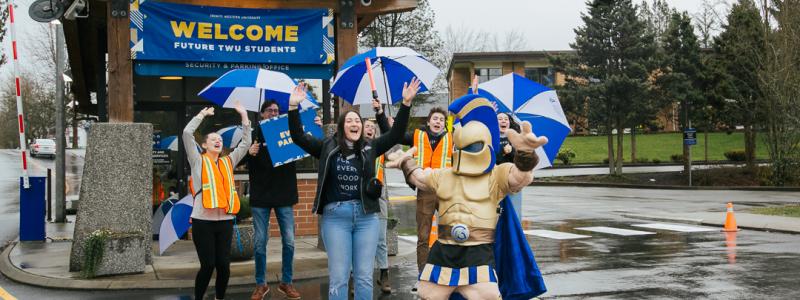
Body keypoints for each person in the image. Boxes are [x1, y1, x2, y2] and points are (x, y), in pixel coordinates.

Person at [387, 94, 548, 299]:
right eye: (465, 147)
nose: (470, 151)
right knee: (427, 294)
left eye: (473, 146)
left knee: (488, 295)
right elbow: (419, 178)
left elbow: (521, 177)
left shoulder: (496, 176)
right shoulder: (444, 175)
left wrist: (525, 154)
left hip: (478, 254)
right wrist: (405, 161)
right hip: (444, 253)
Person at [287, 79, 419, 300]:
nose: (354, 123)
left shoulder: (371, 147)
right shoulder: (327, 147)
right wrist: (293, 107)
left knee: (364, 277)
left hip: (367, 218)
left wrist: (406, 104)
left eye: (357, 120)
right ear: (342, 127)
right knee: (339, 277)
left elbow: (395, 135)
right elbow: (298, 137)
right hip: (335, 217)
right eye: (349, 120)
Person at [182, 102, 251, 300]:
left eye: (220, 139)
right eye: (213, 139)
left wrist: (244, 117)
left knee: (224, 266)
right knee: (208, 265)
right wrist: (201, 115)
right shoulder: (197, 160)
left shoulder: (228, 160)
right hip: (203, 221)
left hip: (225, 221)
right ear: (204, 145)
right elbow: (187, 133)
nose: (217, 141)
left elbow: (245, 144)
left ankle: (219, 298)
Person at [246, 100, 302, 300]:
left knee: (289, 241)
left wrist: (315, 127)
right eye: (269, 110)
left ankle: (287, 282)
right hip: (261, 196)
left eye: (276, 111)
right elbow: (239, 159)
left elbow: (307, 141)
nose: (273, 113)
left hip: (284, 194)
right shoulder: (253, 134)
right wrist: (248, 153)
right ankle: (260, 284)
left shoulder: (289, 131)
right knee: (260, 243)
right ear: (261, 114)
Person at [497, 112, 523, 221]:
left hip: (513, 182)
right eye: (500, 119)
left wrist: (512, 151)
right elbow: (491, 159)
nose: (503, 121)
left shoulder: (515, 139)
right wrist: (503, 151)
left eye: (506, 119)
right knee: (498, 211)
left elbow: (520, 161)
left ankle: (514, 232)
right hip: (497, 181)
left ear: (509, 122)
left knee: (514, 211)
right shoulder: (491, 138)